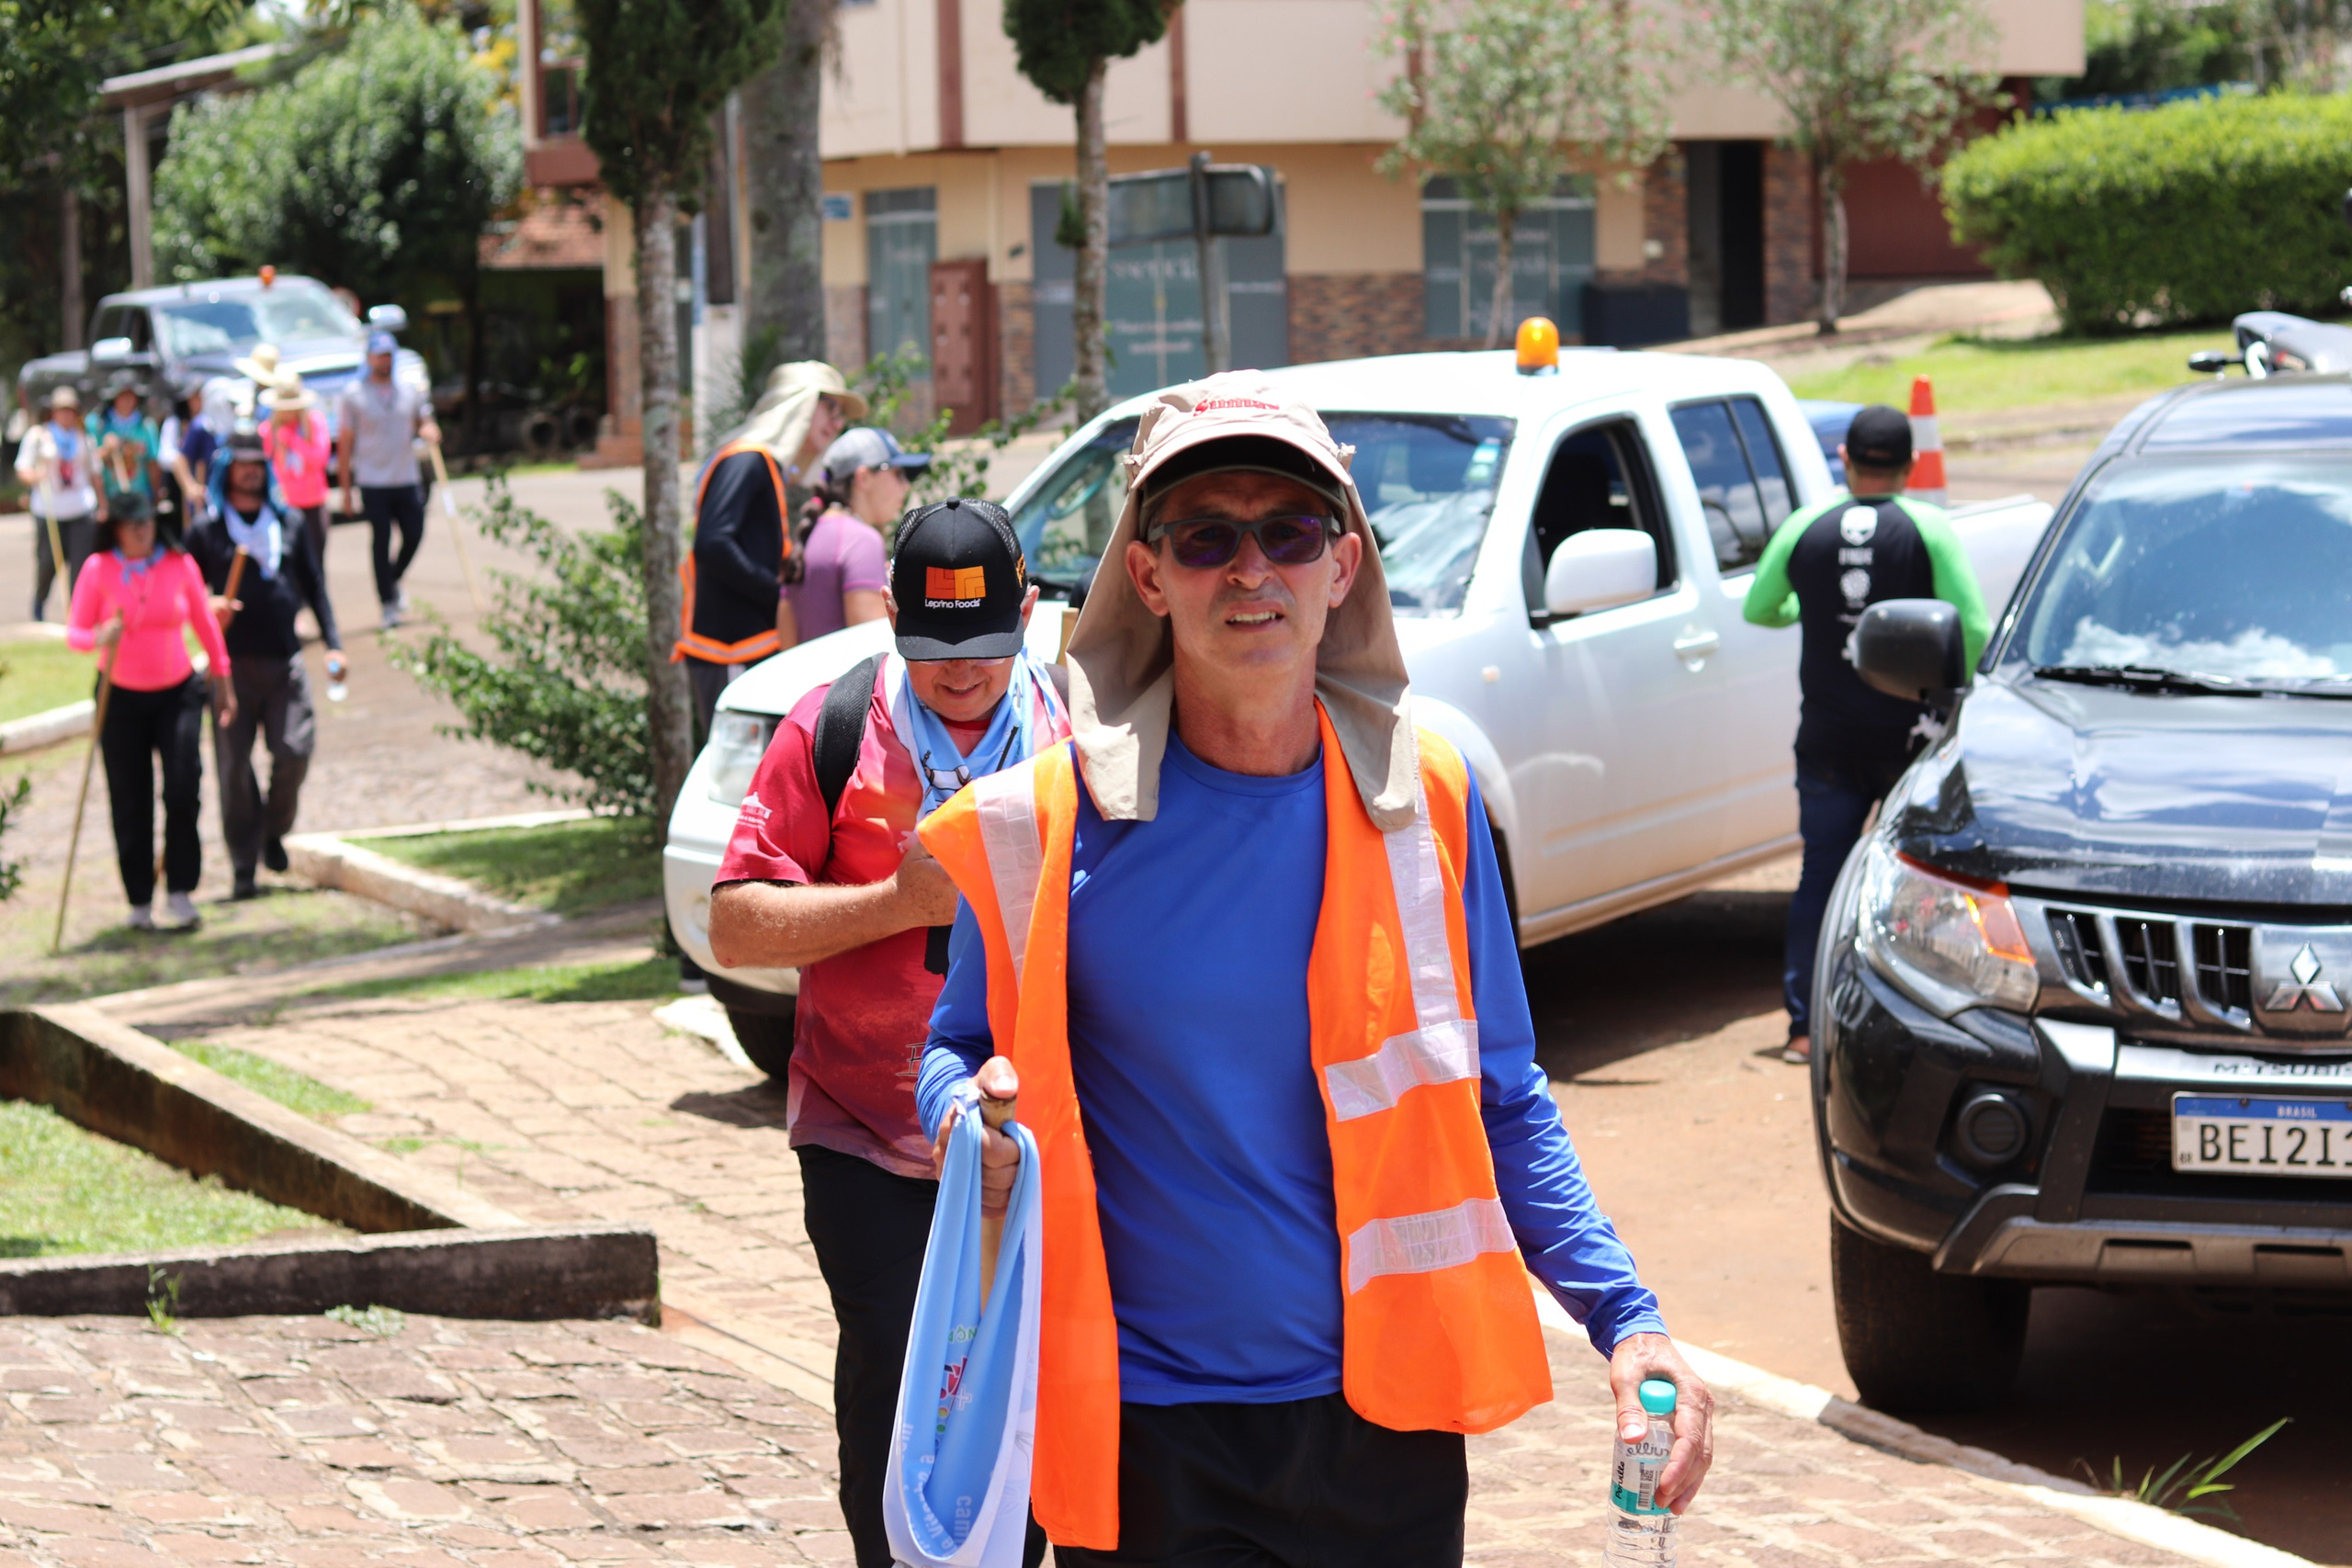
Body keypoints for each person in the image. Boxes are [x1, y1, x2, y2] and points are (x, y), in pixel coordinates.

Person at [914, 375, 1714, 1563]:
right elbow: (959, 1045)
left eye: (1287, 531)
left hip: (1381, 1431)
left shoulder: (1423, 804)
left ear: (1341, 564)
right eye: (1207, 536)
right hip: (1143, 1438)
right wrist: (962, 1124)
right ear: (1147, 572)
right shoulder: (1041, 825)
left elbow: (1502, 1096)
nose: (1251, 570)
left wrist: (1628, 1319)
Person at [703, 498, 1069, 1568]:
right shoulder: (832, 726)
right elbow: (734, 920)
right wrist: (895, 905)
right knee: (898, 1377)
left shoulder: (1077, 737)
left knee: (1026, 1380)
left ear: (1029, 616)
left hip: (1030, 1144)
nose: (961, 673)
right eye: (933, 647)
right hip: (864, 1135)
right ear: (891, 620)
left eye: (988, 648)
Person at [1740, 403, 1990, 1066]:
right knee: (1930, 880)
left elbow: (1760, 607)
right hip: (1912, 741)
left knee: (1819, 874)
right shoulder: (1928, 527)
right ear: (1910, 466)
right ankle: (1929, 1022)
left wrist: (1821, 613)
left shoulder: (1805, 524)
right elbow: (1973, 625)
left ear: (1844, 461)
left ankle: (1802, 1027)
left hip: (1827, 738)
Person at [189, 424, 345, 900]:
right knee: (234, 769)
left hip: (285, 662)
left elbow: (315, 585)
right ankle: (243, 865)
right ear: (226, 471)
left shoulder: (290, 523)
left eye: (259, 465)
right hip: (229, 670)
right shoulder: (207, 531)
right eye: (243, 465)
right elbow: (185, 592)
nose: (252, 473)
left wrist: (334, 642)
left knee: (294, 751)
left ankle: (272, 831)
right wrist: (208, 606)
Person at [67, 491, 235, 931]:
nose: (142, 529)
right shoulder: (98, 568)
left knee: (183, 788)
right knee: (129, 798)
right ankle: (139, 898)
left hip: (176, 691)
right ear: (116, 528)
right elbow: (75, 633)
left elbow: (204, 623)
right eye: (132, 523)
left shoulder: (178, 565)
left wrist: (223, 680)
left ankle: (180, 889)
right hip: (119, 696)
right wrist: (100, 635)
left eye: (147, 521)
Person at [676, 361, 863, 734]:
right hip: (728, 649)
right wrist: (776, 595)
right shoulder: (748, 459)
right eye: (831, 408)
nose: (837, 422)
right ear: (801, 405)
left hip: (744, 648)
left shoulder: (761, 464)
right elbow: (712, 544)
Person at [780, 427, 932, 651]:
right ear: (864, 477)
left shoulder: (811, 532)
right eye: (898, 474)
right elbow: (870, 653)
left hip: (809, 684)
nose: (906, 486)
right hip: (846, 685)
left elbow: (786, 642)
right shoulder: (862, 541)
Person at [336, 330, 438, 628]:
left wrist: (429, 429)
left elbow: (424, 419)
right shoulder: (354, 395)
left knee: (414, 533)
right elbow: (345, 444)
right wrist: (346, 489)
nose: (385, 361)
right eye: (380, 356)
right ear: (369, 358)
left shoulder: (408, 390)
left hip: (406, 477)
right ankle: (387, 603)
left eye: (389, 356)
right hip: (372, 481)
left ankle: (392, 580)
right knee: (381, 540)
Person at [17, 386, 100, 621]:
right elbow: (23, 468)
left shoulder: (84, 437)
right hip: (50, 509)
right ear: (52, 412)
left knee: (81, 564)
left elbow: (94, 473)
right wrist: (34, 476)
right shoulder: (38, 436)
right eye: (61, 410)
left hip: (80, 507)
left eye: (70, 410)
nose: (66, 415)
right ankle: (39, 602)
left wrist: (101, 505)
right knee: (48, 562)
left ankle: (78, 613)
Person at [262, 370, 334, 563]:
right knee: (291, 562)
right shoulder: (269, 429)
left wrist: (293, 440)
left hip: (313, 503)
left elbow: (320, 458)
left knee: (316, 562)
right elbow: (265, 463)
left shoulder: (314, 422)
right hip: (286, 504)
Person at [89, 371, 162, 526]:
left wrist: (155, 496)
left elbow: (152, 464)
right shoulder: (98, 424)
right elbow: (88, 462)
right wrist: (106, 450)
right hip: (111, 498)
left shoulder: (146, 426)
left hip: (140, 496)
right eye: (122, 395)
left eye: (131, 395)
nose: (127, 400)